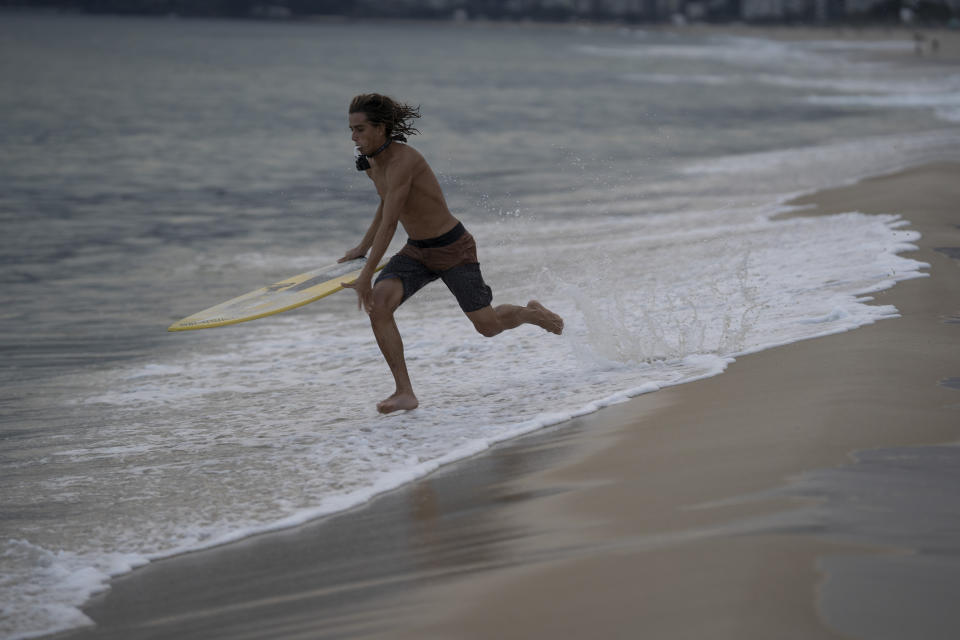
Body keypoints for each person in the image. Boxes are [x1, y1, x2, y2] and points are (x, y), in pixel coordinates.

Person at [340, 93, 564, 414]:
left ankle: (531, 313)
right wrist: (362, 248)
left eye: (360, 129)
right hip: (418, 250)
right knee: (379, 305)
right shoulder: (372, 162)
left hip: (452, 247)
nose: (353, 137)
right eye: (351, 129)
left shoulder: (404, 161)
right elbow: (385, 203)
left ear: (381, 127)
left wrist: (365, 276)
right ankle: (405, 392)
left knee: (487, 327)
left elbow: (391, 223)